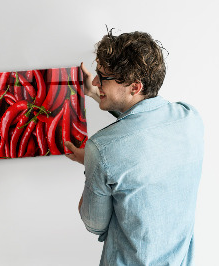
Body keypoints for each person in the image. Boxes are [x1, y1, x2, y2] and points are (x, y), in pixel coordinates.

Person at [65, 31, 204, 265]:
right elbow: (143, 123)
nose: (96, 81)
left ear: (135, 86)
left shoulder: (101, 149)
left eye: (102, 77)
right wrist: (94, 93)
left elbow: (94, 224)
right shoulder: (190, 118)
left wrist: (92, 163)